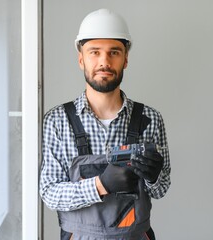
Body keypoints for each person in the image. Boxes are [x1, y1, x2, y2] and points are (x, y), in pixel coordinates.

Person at [40, 8, 171, 240]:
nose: (104, 61)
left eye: (114, 52)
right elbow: (49, 193)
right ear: (81, 59)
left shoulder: (150, 119)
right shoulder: (57, 121)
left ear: (125, 59)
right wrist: (100, 185)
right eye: (94, 52)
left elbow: (161, 190)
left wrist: (153, 177)